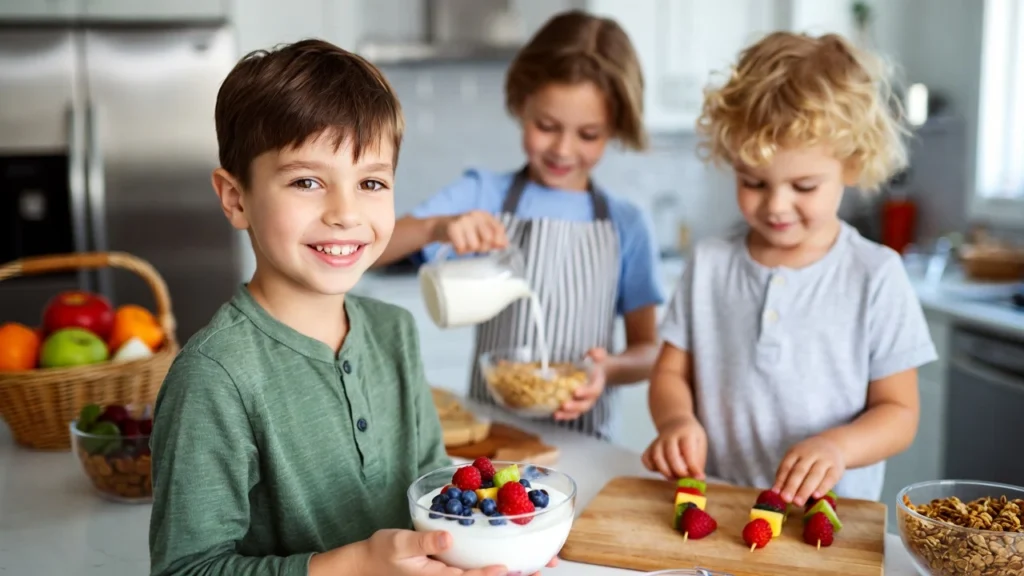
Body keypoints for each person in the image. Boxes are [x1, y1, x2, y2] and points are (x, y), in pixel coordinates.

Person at [147, 39, 553, 576]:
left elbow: (434, 487)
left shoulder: (394, 331)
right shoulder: (214, 378)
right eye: (307, 181)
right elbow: (186, 569)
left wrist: (483, 547)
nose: (345, 213)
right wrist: (355, 565)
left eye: (371, 182)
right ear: (235, 198)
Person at [642, 31, 938, 506]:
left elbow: (899, 412)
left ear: (853, 164)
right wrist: (676, 421)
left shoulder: (875, 275)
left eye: (804, 185)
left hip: (828, 524)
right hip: (722, 508)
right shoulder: (711, 263)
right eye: (753, 181)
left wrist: (837, 446)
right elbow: (670, 374)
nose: (777, 206)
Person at [376, 10, 665, 442]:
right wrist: (438, 227)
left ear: (616, 129)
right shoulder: (483, 194)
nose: (563, 149)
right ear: (520, 103)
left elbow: (649, 350)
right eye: (546, 126)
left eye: (588, 134)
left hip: (586, 443)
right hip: (491, 441)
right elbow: (373, 249)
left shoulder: (626, 224)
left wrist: (608, 369)